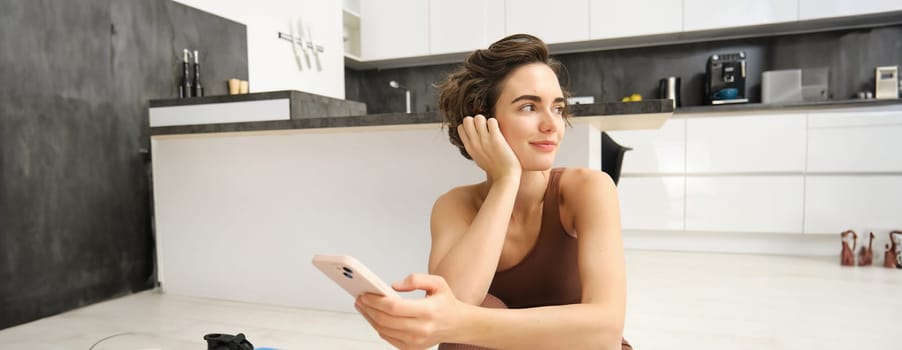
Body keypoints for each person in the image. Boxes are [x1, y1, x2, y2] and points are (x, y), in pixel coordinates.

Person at [354, 34, 630, 350]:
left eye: (557, 108)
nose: (552, 124)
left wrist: (463, 322)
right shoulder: (454, 205)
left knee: (475, 314)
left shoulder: (589, 189)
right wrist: (505, 182)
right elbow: (451, 312)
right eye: (529, 107)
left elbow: (605, 331)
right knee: (481, 304)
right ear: (482, 121)